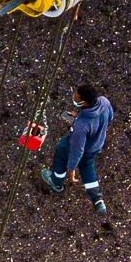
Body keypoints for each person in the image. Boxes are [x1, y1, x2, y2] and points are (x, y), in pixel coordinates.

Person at [39, 84, 113, 214]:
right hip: (96, 145)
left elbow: (77, 150)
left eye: (76, 96)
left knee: (61, 151)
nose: (73, 96)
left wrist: (71, 169)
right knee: (87, 167)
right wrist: (79, 117)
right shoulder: (104, 102)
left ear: (83, 102)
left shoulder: (81, 126)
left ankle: (56, 181)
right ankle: (97, 200)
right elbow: (110, 117)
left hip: (81, 144)